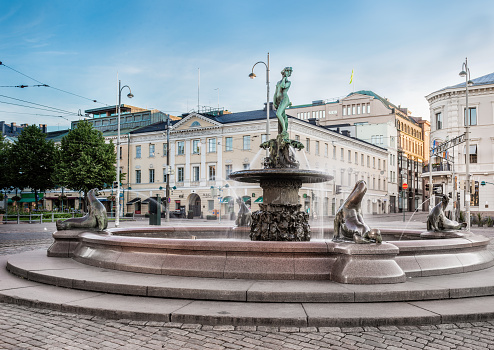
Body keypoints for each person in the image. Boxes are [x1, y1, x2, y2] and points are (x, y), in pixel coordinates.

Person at [273, 67, 293, 139]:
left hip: (284, 99)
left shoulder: (288, 82)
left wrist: (285, 78)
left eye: (288, 72)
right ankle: (281, 130)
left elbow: (282, 86)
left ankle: (284, 130)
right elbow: (275, 93)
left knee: (278, 114)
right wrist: (274, 101)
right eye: (286, 72)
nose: (286, 73)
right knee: (282, 115)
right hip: (278, 100)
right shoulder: (278, 82)